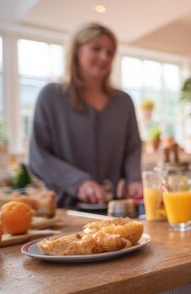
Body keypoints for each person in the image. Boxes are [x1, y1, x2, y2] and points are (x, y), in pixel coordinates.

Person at [29, 22, 142, 208]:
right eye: (96, 48)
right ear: (76, 51)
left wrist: (134, 179)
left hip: (112, 211)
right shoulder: (51, 96)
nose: (104, 57)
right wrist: (78, 182)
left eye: (110, 52)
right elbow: (38, 157)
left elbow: (132, 149)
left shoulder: (123, 102)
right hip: (64, 211)